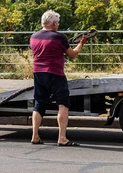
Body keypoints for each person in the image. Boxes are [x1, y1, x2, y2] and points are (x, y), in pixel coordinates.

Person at [30, 10, 87, 147]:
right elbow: (72, 55)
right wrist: (81, 43)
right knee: (63, 104)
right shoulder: (58, 37)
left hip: (38, 73)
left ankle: (35, 136)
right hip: (55, 73)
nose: (58, 25)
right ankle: (62, 138)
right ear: (54, 23)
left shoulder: (33, 37)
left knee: (39, 103)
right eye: (58, 23)